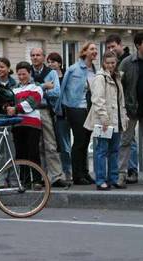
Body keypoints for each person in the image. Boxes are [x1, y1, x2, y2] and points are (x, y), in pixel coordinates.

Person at [118, 32, 143, 187]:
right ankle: (121, 174)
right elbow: (118, 84)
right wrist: (121, 106)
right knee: (126, 141)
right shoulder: (127, 63)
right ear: (138, 46)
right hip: (130, 109)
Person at [84, 51, 128, 190]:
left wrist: (124, 116)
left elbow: (120, 100)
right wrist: (104, 118)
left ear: (116, 63)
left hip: (116, 119)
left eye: (113, 63)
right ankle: (101, 180)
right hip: (104, 120)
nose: (110, 65)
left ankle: (113, 178)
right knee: (102, 150)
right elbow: (97, 100)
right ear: (103, 63)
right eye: (108, 63)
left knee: (115, 150)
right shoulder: (100, 78)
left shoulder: (117, 76)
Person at [55, 41, 98, 185]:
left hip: (89, 108)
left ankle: (84, 173)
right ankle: (77, 175)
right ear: (84, 52)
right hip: (75, 107)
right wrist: (60, 108)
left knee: (86, 141)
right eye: (92, 49)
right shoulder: (73, 69)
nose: (95, 51)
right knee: (79, 140)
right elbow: (62, 90)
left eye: (96, 49)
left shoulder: (95, 70)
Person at [30, 48, 69, 187]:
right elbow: (25, 92)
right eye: (33, 55)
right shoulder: (27, 72)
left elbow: (56, 92)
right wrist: (44, 87)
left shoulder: (51, 73)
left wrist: (37, 90)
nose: (35, 57)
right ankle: (41, 176)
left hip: (46, 111)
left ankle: (56, 176)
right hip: (31, 112)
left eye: (38, 55)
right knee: (37, 145)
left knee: (51, 145)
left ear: (43, 57)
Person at [105, 34, 139, 183]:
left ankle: (131, 170)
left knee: (129, 139)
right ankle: (120, 171)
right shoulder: (113, 63)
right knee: (122, 140)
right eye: (108, 48)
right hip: (116, 105)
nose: (111, 49)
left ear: (120, 45)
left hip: (128, 105)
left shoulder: (129, 60)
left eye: (113, 46)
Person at [6, 61, 43, 185]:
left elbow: (32, 102)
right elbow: (9, 104)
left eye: (24, 74)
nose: (21, 77)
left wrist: (16, 108)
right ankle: (25, 181)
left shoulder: (37, 87)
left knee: (33, 152)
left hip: (32, 125)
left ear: (30, 73)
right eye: (19, 74)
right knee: (21, 154)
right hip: (17, 124)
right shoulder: (14, 89)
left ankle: (37, 180)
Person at [47, 52, 72, 182]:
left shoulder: (66, 76)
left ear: (59, 63)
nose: (51, 64)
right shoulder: (48, 77)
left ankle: (68, 171)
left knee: (65, 145)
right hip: (53, 113)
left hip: (66, 113)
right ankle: (60, 172)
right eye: (49, 62)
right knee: (56, 145)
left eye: (54, 61)